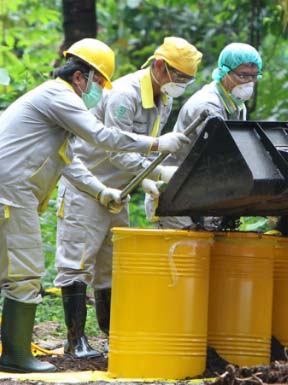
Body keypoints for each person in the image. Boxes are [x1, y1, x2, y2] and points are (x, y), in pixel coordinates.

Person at [0, 38, 190, 373]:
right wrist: (157, 145)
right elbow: (102, 137)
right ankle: (18, 355)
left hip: (17, 191)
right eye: (99, 82)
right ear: (80, 77)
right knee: (27, 272)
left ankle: (16, 351)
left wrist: (102, 192)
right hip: (14, 192)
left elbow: (69, 161)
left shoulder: (59, 103)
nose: (100, 91)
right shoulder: (59, 96)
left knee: (16, 270)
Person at [53, 37, 202, 359]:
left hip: (118, 192)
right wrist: (156, 174)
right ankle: (74, 340)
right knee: (76, 263)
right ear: (160, 66)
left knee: (108, 268)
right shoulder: (125, 93)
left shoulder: (164, 98)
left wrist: (147, 177)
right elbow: (116, 148)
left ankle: (112, 334)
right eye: (179, 76)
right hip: (87, 186)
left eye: (187, 80)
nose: (181, 84)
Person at [148, 42, 262, 229]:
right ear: (225, 72)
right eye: (242, 75)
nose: (248, 82)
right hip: (178, 191)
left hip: (203, 192)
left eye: (253, 76)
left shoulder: (236, 103)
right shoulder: (207, 105)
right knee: (184, 255)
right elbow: (223, 154)